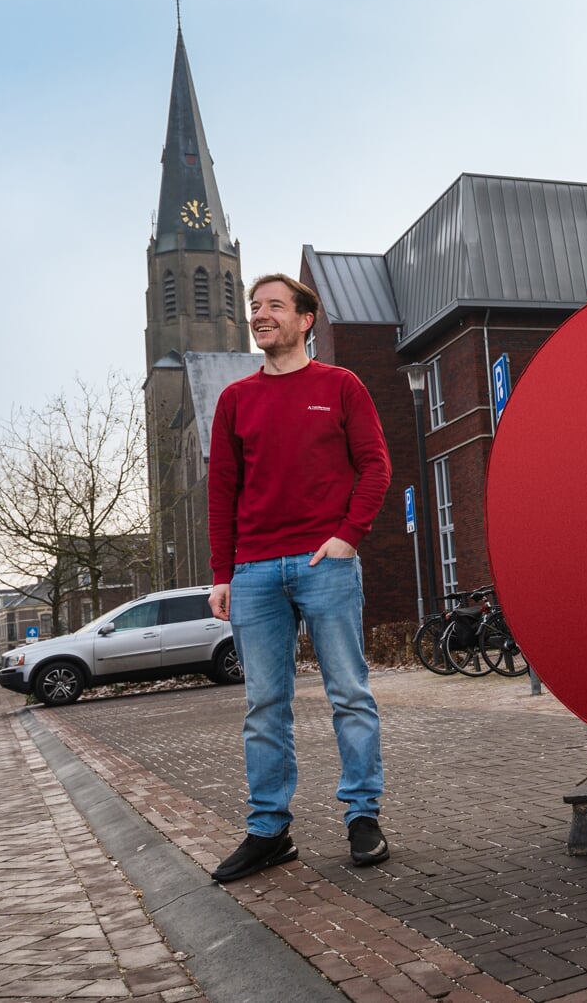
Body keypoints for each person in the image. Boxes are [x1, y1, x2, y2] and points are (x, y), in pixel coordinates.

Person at [206, 272, 393, 882]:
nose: (260, 315)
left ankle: (362, 817)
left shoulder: (341, 386)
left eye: (273, 306)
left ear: (305, 319)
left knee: (350, 694)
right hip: (255, 572)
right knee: (264, 705)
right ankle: (268, 832)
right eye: (255, 307)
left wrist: (347, 537)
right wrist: (222, 572)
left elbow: (375, 467)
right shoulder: (235, 399)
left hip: (324, 565)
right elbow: (223, 492)